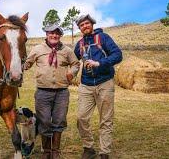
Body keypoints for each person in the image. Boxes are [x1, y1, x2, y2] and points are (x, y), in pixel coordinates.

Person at [24, 24, 80, 159]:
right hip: (43, 92)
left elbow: (76, 64)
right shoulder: (37, 49)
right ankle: (46, 151)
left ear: (60, 36)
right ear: (46, 34)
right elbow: (27, 63)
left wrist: (72, 73)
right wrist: (19, 66)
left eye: (57, 33)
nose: (54, 35)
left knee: (59, 121)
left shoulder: (67, 50)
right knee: (44, 121)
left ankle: (55, 151)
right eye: (51, 33)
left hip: (62, 92)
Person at [74, 14, 122, 159]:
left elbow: (118, 55)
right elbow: (71, 59)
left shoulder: (103, 38)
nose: (85, 26)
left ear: (92, 24)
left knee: (106, 119)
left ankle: (104, 152)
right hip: (86, 85)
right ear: (80, 28)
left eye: (87, 23)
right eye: (81, 25)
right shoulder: (79, 44)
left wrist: (100, 63)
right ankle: (88, 148)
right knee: (81, 118)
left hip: (105, 82)